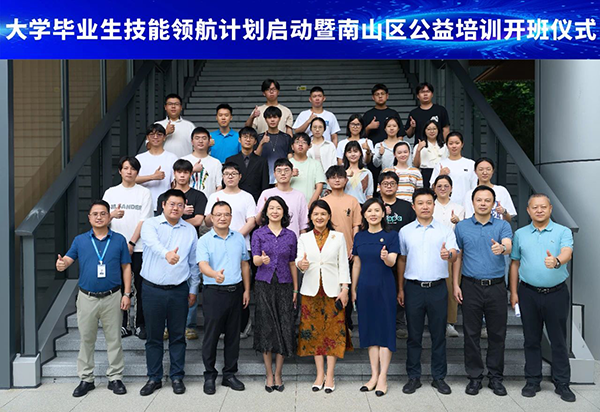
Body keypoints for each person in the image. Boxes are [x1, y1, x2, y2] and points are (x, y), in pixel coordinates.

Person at [56, 200, 132, 397]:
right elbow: (68, 259)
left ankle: (115, 378)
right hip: (87, 298)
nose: (99, 217)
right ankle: (86, 379)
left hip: (112, 296)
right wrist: (62, 264)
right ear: (89, 218)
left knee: (114, 339)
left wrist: (126, 294)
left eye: (103, 213)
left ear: (109, 216)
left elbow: (126, 267)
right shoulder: (80, 240)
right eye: (95, 214)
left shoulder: (119, 240)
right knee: (86, 339)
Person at [509, 194, 575, 402]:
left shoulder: (562, 231)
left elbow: (567, 252)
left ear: (550, 209)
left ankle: (562, 383)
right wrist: (514, 292)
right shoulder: (520, 234)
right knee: (531, 339)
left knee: (558, 340)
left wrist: (556, 261)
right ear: (528, 210)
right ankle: (532, 380)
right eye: (535, 207)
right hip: (528, 293)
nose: (539, 210)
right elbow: (515, 263)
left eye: (543, 207)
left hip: (556, 294)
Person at [138, 189, 201, 396]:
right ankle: (154, 378)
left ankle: (177, 376)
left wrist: (193, 289)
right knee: (154, 337)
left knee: (177, 336)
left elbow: (193, 262)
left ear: (185, 207)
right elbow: (152, 244)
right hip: (152, 290)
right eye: (172, 204)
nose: (176, 208)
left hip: (179, 290)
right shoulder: (150, 224)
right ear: (163, 205)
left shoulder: (190, 230)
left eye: (180, 205)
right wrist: (167, 254)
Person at [398, 188, 459, 396]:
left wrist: (448, 254)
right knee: (413, 336)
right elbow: (402, 260)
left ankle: (438, 377)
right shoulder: (405, 231)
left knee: (438, 335)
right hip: (413, 288)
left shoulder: (445, 230)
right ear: (413, 206)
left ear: (434, 205)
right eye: (420, 203)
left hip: (438, 289)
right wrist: (400, 288)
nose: (425, 206)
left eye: (429, 203)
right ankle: (413, 377)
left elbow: (455, 254)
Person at [453, 185, 513, 397]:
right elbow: (458, 256)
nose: (483, 203)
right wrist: (455, 284)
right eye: (479, 200)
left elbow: (508, 245)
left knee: (497, 334)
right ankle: (475, 377)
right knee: (471, 334)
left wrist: (502, 248)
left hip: (496, 286)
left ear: (493, 204)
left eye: (487, 200)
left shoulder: (502, 225)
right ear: (473, 202)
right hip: (471, 286)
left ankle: (496, 378)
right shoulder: (461, 227)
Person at [296, 200, 352, 394]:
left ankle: (330, 375)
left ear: (329, 216)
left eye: (323, 214)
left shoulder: (338, 237)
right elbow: (299, 260)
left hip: (333, 291)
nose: (319, 217)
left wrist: (345, 288)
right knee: (314, 334)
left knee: (333, 333)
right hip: (311, 291)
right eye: (316, 214)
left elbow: (343, 264)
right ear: (310, 217)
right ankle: (319, 374)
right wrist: (301, 265)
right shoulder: (304, 237)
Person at [197, 201, 251, 395]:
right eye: (218, 214)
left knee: (233, 336)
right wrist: (214, 274)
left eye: (226, 214)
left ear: (231, 217)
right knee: (211, 336)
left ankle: (229, 374)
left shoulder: (239, 238)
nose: (222, 218)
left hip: (235, 292)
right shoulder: (204, 240)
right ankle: (209, 375)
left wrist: (246, 289)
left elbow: (245, 264)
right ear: (211, 217)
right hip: (214, 292)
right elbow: (202, 264)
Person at [351, 198, 399, 397]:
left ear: (383, 213)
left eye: (377, 210)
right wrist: (353, 288)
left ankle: (383, 378)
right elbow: (357, 264)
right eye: (369, 210)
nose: (373, 214)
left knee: (385, 331)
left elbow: (392, 262)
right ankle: (373, 376)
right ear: (364, 214)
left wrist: (386, 257)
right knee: (370, 331)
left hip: (384, 287)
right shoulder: (359, 236)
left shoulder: (391, 235)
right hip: (365, 288)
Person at [102, 157, 153, 340]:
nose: (129, 172)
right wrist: (112, 215)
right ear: (120, 171)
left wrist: (131, 243)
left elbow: (144, 220)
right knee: (119, 286)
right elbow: (100, 219)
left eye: (133, 169)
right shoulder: (111, 193)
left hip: (139, 247)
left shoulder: (144, 193)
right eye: (125, 168)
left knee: (141, 286)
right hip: (115, 247)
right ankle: (122, 324)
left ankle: (140, 324)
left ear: (137, 172)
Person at [156, 160, 207, 340]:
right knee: (165, 285)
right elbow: (161, 220)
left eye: (186, 172)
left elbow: (199, 220)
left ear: (191, 174)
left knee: (191, 281)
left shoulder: (199, 196)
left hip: (190, 242)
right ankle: (165, 326)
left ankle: (189, 325)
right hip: (166, 244)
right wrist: (182, 214)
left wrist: (176, 218)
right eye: (179, 172)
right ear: (174, 173)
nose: (182, 175)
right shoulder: (164, 196)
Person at [251, 196, 298, 393]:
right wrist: (261, 260)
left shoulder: (291, 235)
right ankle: (268, 374)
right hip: (264, 284)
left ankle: (278, 373)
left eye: (278, 208)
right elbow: (254, 259)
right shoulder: (259, 233)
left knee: (285, 326)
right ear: (266, 212)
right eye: (271, 208)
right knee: (266, 327)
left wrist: (296, 289)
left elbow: (292, 262)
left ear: (284, 212)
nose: (275, 211)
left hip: (285, 285)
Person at [205, 162, 257, 339]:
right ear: (222, 177)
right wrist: (212, 216)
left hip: (241, 246)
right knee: (219, 284)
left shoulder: (247, 197)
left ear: (240, 177)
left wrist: (234, 238)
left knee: (240, 285)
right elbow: (207, 221)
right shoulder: (215, 196)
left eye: (234, 173)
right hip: (217, 247)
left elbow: (252, 221)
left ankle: (243, 325)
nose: (230, 176)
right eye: (227, 173)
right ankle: (220, 325)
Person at [322, 165, 362, 331]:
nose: (337, 180)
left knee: (346, 287)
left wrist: (354, 247)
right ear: (327, 181)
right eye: (333, 177)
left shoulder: (352, 201)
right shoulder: (323, 202)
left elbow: (356, 226)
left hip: (348, 252)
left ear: (346, 180)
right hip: (327, 253)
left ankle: (346, 323)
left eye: (340, 177)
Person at [378, 171, 416, 338]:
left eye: (392, 183)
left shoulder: (406, 207)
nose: (389, 186)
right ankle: (381, 323)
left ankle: (399, 323)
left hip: (402, 255)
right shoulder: (374, 205)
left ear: (397, 186)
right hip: (378, 255)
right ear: (379, 187)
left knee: (400, 288)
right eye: (385, 184)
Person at [432, 175, 466, 338]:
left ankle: (450, 322)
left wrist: (458, 222)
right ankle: (434, 321)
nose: (443, 189)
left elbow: (464, 231)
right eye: (439, 186)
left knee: (452, 286)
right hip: (432, 251)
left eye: (446, 186)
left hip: (453, 252)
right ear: (434, 188)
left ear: (451, 188)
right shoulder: (430, 205)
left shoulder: (459, 208)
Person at [255, 158, 309, 238]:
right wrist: (265, 207)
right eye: (279, 171)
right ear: (274, 174)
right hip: (268, 240)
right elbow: (258, 221)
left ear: (292, 172)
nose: (283, 173)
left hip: (292, 241)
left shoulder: (299, 196)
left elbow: (303, 225)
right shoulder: (266, 194)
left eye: (286, 170)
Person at [135, 123, 178, 211]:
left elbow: (175, 184)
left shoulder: (172, 158)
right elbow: (131, 180)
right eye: (152, 134)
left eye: (159, 134)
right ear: (147, 137)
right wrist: (152, 177)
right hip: (143, 205)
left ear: (164, 137)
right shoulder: (139, 158)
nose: (155, 137)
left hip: (165, 206)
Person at [429, 131, 477, 204]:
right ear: (447, 145)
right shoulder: (440, 164)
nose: (454, 146)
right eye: (451, 143)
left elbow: (475, 186)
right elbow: (433, 187)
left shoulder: (470, 164)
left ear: (462, 144)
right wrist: (440, 175)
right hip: (445, 204)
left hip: (467, 204)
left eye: (457, 143)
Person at [463, 157, 517, 222]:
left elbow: (508, 219)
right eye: (481, 169)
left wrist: (503, 212)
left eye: (488, 169)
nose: (485, 172)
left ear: (492, 171)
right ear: (475, 171)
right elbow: (468, 218)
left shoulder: (502, 191)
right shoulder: (469, 194)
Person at [225, 126, 270, 203]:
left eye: (251, 137)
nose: (248, 140)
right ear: (239, 140)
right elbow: (225, 183)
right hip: (234, 199)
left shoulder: (262, 161)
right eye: (245, 137)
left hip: (255, 200)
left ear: (255, 141)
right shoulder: (230, 160)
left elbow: (264, 185)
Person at [182, 126, 223, 200]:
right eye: (197, 138)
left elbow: (219, 185)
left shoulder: (216, 163)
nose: (200, 141)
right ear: (192, 142)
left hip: (208, 202)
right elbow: (176, 183)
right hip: (186, 201)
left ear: (209, 141)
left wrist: (213, 201)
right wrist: (193, 170)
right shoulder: (183, 160)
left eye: (204, 138)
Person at [255, 106, 293, 185]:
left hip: (282, 178)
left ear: (280, 118)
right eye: (269, 117)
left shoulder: (286, 137)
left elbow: (290, 156)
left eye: (275, 117)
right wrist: (261, 143)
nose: (272, 120)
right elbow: (255, 158)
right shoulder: (259, 137)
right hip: (263, 177)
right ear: (265, 119)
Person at [290, 132, 326, 205]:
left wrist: (310, 205)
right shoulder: (286, 164)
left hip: (309, 204)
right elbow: (278, 185)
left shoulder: (316, 164)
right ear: (292, 146)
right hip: (290, 204)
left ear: (309, 146)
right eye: (297, 142)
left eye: (304, 142)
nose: (300, 144)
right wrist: (289, 175)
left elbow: (319, 186)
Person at [156, 93, 195, 158]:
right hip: (163, 162)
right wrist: (165, 133)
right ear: (165, 107)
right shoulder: (158, 125)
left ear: (181, 107)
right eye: (170, 104)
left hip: (184, 163)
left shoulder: (189, 126)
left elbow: (196, 147)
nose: (173, 106)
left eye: (176, 104)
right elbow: (149, 146)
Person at [412, 120, 449, 187]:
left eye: (434, 129)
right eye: (429, 129)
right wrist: (418, 150)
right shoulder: (419, 145)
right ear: (425, 131)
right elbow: (416, 165)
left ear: (438, 130)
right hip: (425, 174)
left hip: (441, 173)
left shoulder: (445, 146)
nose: (432, 131)